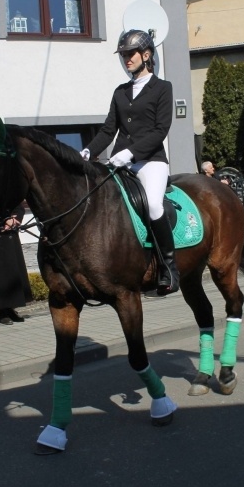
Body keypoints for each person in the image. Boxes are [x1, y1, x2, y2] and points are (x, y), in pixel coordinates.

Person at [80, 29, 179, 295]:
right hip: (121, 162)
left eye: (130, 54)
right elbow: (107, 130)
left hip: (150, 162)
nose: (126, 60)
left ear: (146, 55)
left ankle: (169, 267)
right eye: (123, 56)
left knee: (155, 205)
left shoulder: (162, 88)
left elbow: (161, 130)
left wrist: (130, 153)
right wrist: (88, 151)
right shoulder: (120, 92)